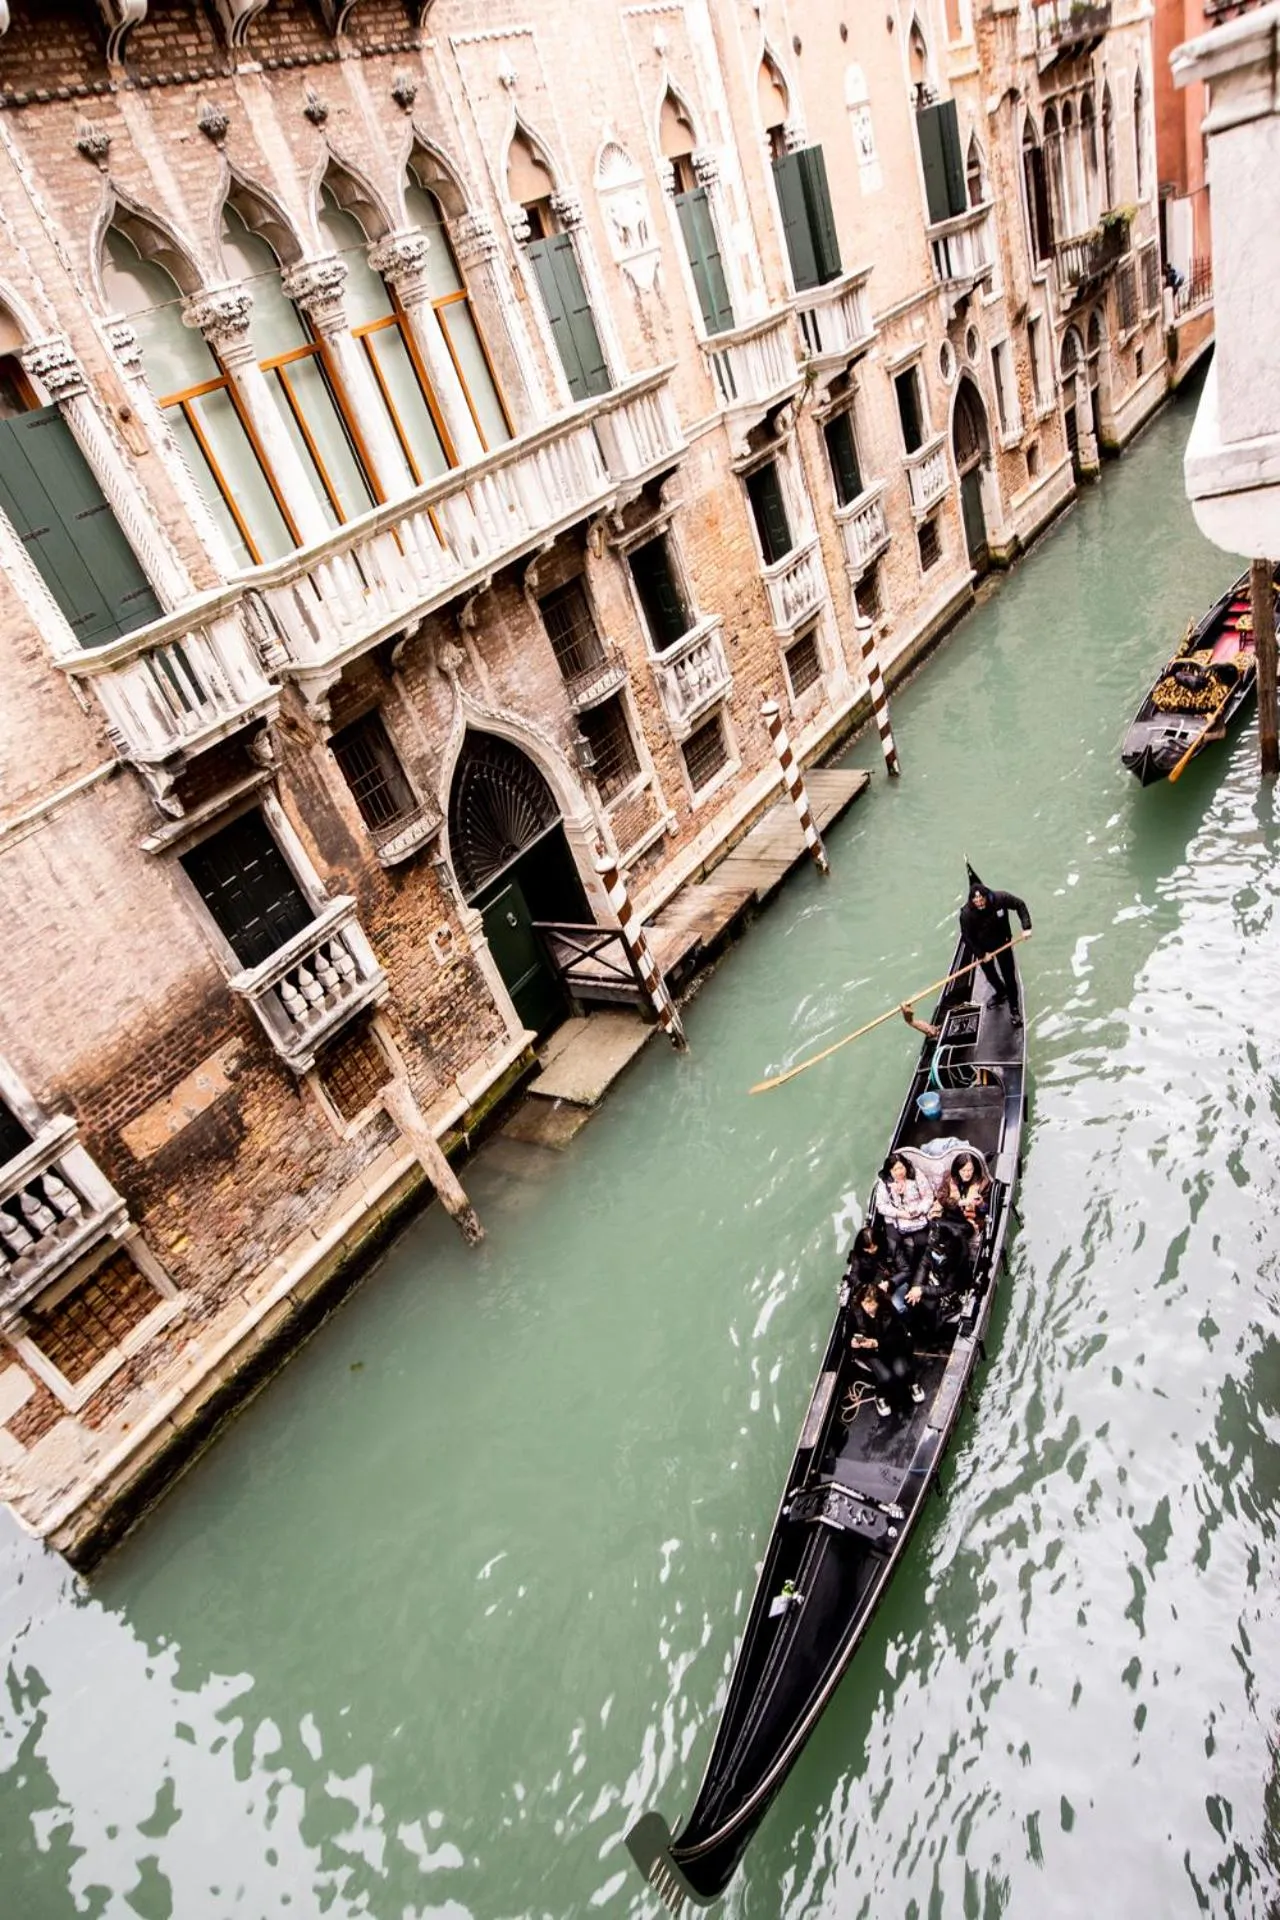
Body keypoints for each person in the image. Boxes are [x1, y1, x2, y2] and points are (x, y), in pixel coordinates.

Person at [959, 868, 1032, 1028]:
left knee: (1010, 978)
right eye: (975, 900)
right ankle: (1000, 992)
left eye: (981, 899)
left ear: (986, 896)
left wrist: (1026, 927)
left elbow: (1020, 905)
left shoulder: (1000, 898)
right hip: (983, 949)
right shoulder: (966, 914)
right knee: (990, 975)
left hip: (1003, 943)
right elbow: (967, 937)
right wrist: (981, 954)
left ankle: (1014, 1009)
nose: (979, 902)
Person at [849, 1282, 925, 1417]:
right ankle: (880, 1396)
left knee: (902, 1372)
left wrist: (877, 1343)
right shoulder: (855, 1313)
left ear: (878, 1302)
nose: (868, 1308)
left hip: (892, 1348)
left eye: (871, 1303)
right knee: (886, 1378)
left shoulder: (888, 1310)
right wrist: (853, 1342)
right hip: (870, 1354)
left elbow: (898, 1336)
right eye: (865, 1303)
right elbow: (847, 1336)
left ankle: (912, 1383)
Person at [873, 1154, 933, 1276]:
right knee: (893, 1242)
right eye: (895, 1169)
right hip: (895, 1219)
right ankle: (900, 1269)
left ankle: (916, 1267)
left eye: (901, 1168)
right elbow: (881, 1206)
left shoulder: (916, 1175)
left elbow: (928, 1196)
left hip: (917, 1217)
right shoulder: (884, 1183)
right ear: (890, 1171)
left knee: (922, 1242)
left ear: (906, 1166)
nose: (899, 1172)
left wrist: (919, 1210)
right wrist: (900, 1213)